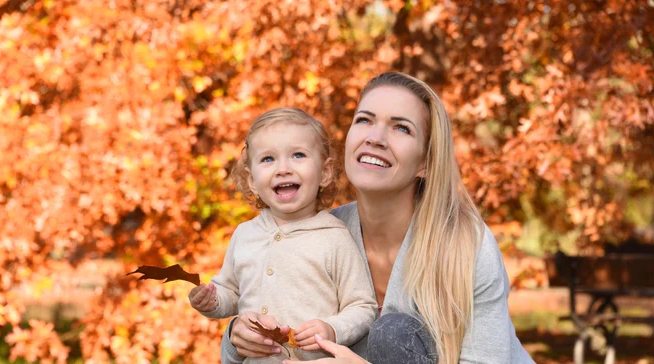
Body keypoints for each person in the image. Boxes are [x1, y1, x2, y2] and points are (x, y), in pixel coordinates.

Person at [214, 72, 535, 364]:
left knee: (394, 333)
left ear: (425, 162)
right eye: (365, 120)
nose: (375, 137)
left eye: (401, 128)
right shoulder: (321, 235)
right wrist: (237, 337)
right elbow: (274, 331)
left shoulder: (467, 245)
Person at [188, 107, 378, 363]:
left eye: (298, 155)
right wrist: (211, 301)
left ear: (325, 172)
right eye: (268, 159)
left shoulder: (334, 238)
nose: (283, 169)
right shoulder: (245, 235)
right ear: (252, 179)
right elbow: (230, 293)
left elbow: (363, 307)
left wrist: (333, 328)